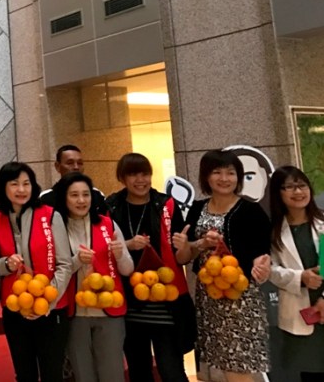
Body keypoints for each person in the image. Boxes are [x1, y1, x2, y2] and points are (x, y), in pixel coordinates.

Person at [174, 149, 271, 382]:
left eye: (230, 173)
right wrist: (193, 244)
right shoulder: (197, 208)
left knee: (238, 363)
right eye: (217, 172)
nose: (224, 178)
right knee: (219, 363)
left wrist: (261, 264)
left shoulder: (251, 210)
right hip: (208, 297)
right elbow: (183, 258)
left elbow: (263, 252)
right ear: (206, 176)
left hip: (240, 296)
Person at [105, 153, 194, 382]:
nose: (140, 180)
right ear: (122, 178)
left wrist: (185, 247)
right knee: (138, 372)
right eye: (133, 174)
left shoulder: (166, 205)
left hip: (166, 301)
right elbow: (103, 248)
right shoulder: (111, 207)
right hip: (129, 302)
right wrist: (127, 244)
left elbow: (183, 258)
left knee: (171, 370)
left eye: (145, 174)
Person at [0, 162, 73, 382]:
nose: (21, 189)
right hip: (15, 308)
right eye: (14, 184)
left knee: (52, 373)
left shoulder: (50, 215)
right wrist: (6, 264)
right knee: (24, 373)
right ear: (3, 187)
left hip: (51, 309)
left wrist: (47, 300)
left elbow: (65, 264)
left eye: (26, 183)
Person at [53, 172, 134, 382]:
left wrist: (120, 255)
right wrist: (77, 260)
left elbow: (128, 269)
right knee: (83, 375)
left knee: (112, 374)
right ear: (64, 198)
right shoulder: (57, 228)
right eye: (74, 195)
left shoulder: (108, 224)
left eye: (86, 194)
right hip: (75, 313)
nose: (81, 200)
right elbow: (56, 269)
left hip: (109, 309)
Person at [262, 166, 324, 382]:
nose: (298, 192)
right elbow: (271, 269)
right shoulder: (273, 232)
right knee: (310, 371)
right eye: (289, 187)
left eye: (302, 185)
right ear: (278, 193)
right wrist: (300, 278)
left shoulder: (322, 222)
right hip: (300, 311)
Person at [40, 145, 109, 217]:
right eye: (70, 163)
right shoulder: (46, 198)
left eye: (80, 163)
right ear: (57, 166)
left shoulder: (96, 194)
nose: (76, 167)